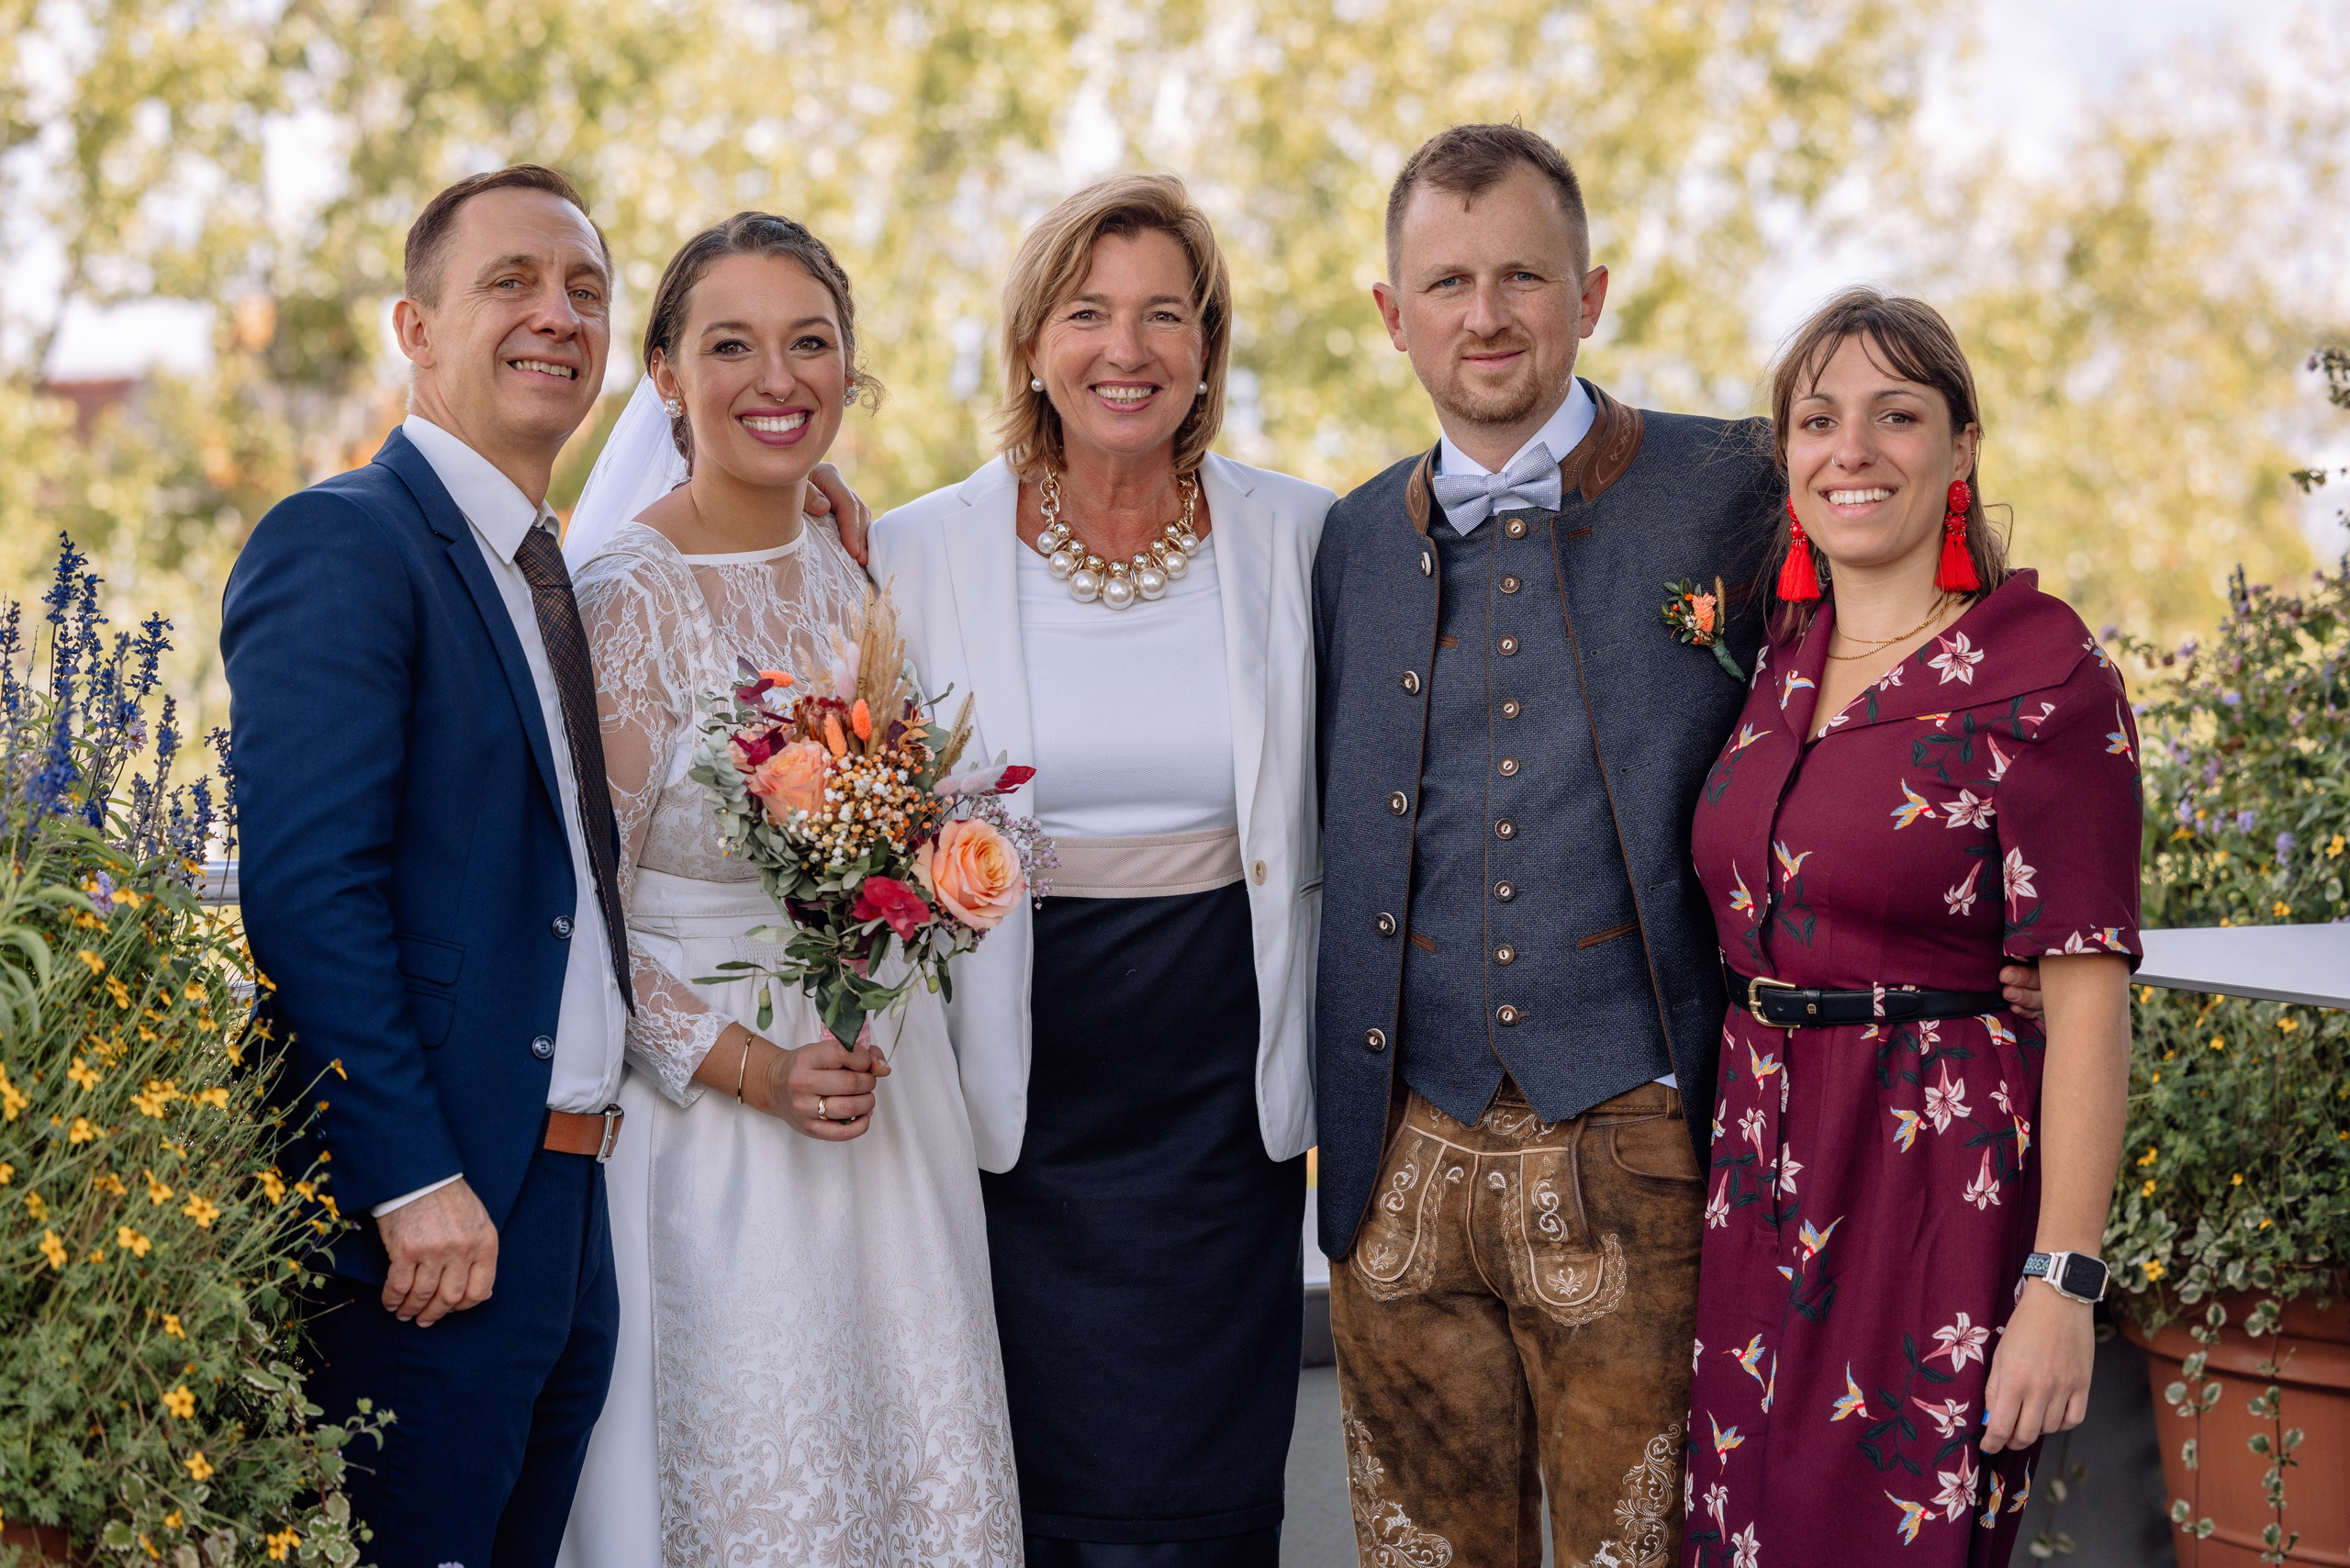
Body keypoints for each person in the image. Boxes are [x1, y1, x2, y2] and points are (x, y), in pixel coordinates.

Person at [1309, 128, 2048, 1568]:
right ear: (1392, 318)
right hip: (1395, 1159)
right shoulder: (1342, 542)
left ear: (1592, 295)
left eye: (1525, 273)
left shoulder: (1739, 482)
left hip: (1646, 1135)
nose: (1488, 313)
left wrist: (1998, 927)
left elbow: (1920, 656)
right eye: (1447, 282)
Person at [868, 173, 1330, 1567]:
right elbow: (868, 829)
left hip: (1223, 1096)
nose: (1123, 350)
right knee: (1037, 1497)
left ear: (1206, 350)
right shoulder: (916, 549)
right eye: (1087, 313)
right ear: (1030, 344)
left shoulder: (1302, 538)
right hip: (1022, 1091)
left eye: (1161, 317)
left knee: (1213, 1501)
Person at [552, 212, 1020, 1564]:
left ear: (851, 366)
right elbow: (586, 915)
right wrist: (754, 1067)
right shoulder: (627, 597)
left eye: (810, 342)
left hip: (886, 1104)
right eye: (732, 345)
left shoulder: (851, 560)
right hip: (720, 1142)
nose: (777, 378)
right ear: (662, 376)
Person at [1681, 288, 2134, 1565]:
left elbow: (2091, 1001)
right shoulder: (1777, 660)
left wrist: (2064, 1283)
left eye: (1897, 414)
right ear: (1787, 459)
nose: (1853, 450)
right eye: (1818, 421)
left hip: (1933, 1187)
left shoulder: (2042, 676)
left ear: (1962, 447)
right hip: (1751, 1183)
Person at [223, 164, 632, 1568]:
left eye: (585, 290)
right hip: (425, 1225)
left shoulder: (542, 570)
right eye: (510, 282)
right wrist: (407, 1180)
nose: (555, 316)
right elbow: (305, 889)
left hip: (566, 1210)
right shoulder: (342, 544)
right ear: (415, 324)